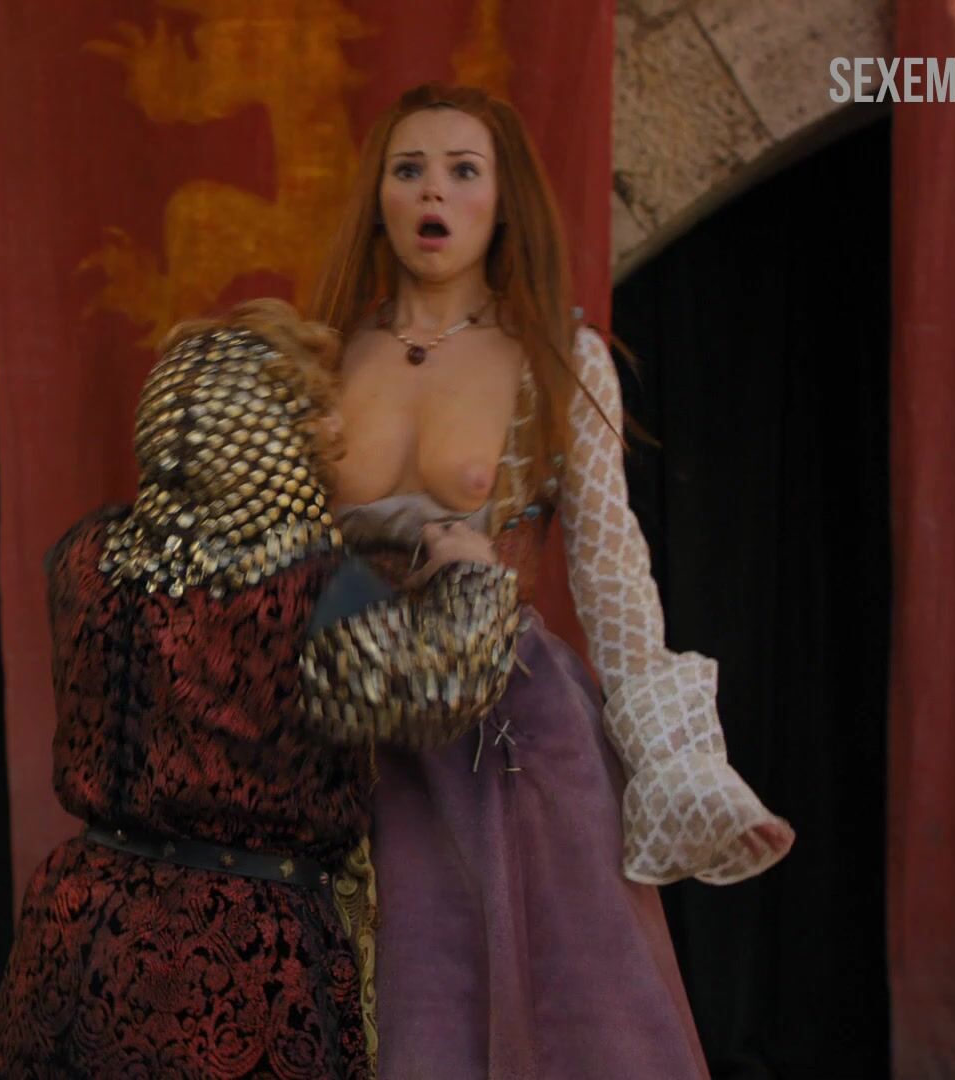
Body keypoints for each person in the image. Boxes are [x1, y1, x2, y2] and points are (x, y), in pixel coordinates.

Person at [309, 82, 795, 1077]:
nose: (433, 191)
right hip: (344, 729)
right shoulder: (322, 358)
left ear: (502, 202)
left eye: (463, 170)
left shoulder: (556, 356)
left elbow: (610, 564)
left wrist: (675, 757)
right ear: (379, 197)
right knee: (364, 1016)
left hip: (506, 738)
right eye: (409, 169)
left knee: (528, 1024)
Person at [0, 299, 532, 1079]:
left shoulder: (88, 556)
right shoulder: (316, 592)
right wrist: (472, 577)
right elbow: (439, 686)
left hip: (75, 935)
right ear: (285, 435)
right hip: (233, 963)